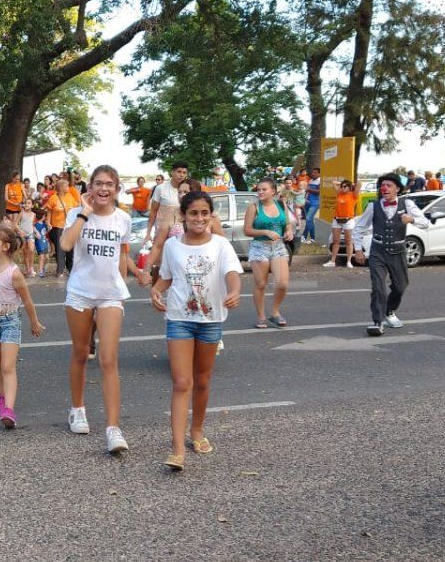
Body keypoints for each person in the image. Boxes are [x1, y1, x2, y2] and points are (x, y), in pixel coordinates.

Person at [149, 191, 242, 471]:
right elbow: (166, 277)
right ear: (183, 216)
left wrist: (235, 291)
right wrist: (155, 290)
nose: (199, 218)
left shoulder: (221, 245)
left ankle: (197, 431)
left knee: (202, 381)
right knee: (181, 382)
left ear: (211, 215)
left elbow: (232, 274)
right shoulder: (172, 246)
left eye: (204, 213)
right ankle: (177, 449)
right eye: (193, 213)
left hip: (211, 319)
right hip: (179, 318)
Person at [60, 165, 150, 454]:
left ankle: (113, 428)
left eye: (109, 184)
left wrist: (131, 276)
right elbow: (65, 244)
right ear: (90, 187)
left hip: (110, 294)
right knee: (80, 352)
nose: (103, 188)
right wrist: (84, 213)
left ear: (116, 188)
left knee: (109, 359)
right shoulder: (76, 214)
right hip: (81, 292)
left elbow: (122, 256)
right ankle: (77, 408)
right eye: (98, 183)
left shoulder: (123, 219)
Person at [0, 224, 45, 428]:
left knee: (8, 366)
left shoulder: (14, 273)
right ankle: (1, 396)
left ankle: (9, 408)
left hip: (10, 322)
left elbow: (27, 300)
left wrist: (34, 321)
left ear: (6, 246)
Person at [352, 173, 430, 336]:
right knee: (378, 287)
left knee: (401, 286)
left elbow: (425, 223)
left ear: (397, 189)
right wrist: (358, 249)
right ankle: (377, 322)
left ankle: (389, 310)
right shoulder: (373, 206)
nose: (384, 188)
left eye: (389, 185)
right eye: (383, 185)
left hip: (398, 251)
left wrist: (412, 220)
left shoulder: (407, 204)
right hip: (378, 251)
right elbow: (359, 227)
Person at [243, 178, 294, 328]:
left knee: (282, 283)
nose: (260, 192)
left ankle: (275, 312)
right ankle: (261, 316)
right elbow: (247, 230)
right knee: (261, 284)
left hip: (278, 247)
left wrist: (289, 231)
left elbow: (287, 223)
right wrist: (265, 231)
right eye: (258, 189)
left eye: (264, 189)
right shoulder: (254, 207)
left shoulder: (280, 204)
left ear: (273, 191)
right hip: (260, 247)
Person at [146, 161, 188, 245]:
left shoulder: (188, 189)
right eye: (179, 172)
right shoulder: (160, 188)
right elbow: (153, 212)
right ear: (172, 172)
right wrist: (148, 234)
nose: (182, 175)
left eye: (184, 172)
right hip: (162, 234)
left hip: (182, 235)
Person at [44, 177, 80, 277]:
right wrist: (48, 222)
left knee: (70, 249)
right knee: (60, 249)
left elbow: (76, 208)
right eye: (66, 186)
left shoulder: (70, 196)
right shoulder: (53, 198)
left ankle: (71, 269)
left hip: (69, 226)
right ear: (60, 187)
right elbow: (49, 211)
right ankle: (60, 271)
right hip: (57, 226)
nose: (68, 187)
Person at [323, 179, 359, 268]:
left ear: (349, 188)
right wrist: (342, 184)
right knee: (336, 241)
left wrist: (351, 184)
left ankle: (349, 261)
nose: (342, 188)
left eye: (345, 187)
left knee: (348, 241)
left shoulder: (353, 195)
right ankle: (332, 261)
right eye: (342, 186)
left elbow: (359, 184)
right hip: (337, 220)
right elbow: (333, 182)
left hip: (348, 220)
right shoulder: (339, 193)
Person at [17, 198, 37, 276]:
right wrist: (20, 231)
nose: (26, 205)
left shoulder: (33, 214)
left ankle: (31, 267)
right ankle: (28, 269)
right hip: (23, 235)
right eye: (25, 203)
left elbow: (32, 225)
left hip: (30, 234)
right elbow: (15, 224)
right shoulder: (21, 213)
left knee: (31, 250)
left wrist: (36, 232)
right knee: (25, 253)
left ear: (32, 205)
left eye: (29, 203)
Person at [302, 167, 321, 242]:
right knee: (310, 221)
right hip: (307, 202)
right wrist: (304, 199)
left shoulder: (320, 181)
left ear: (319, 173)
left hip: (315, 203)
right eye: (313, 172)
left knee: (308, 218)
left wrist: (309, 189)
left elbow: (319, 191)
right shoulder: (310, 181)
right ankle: (313, 238)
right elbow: (307, 192)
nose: (313, 174)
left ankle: (304, 236)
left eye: (315, 172)